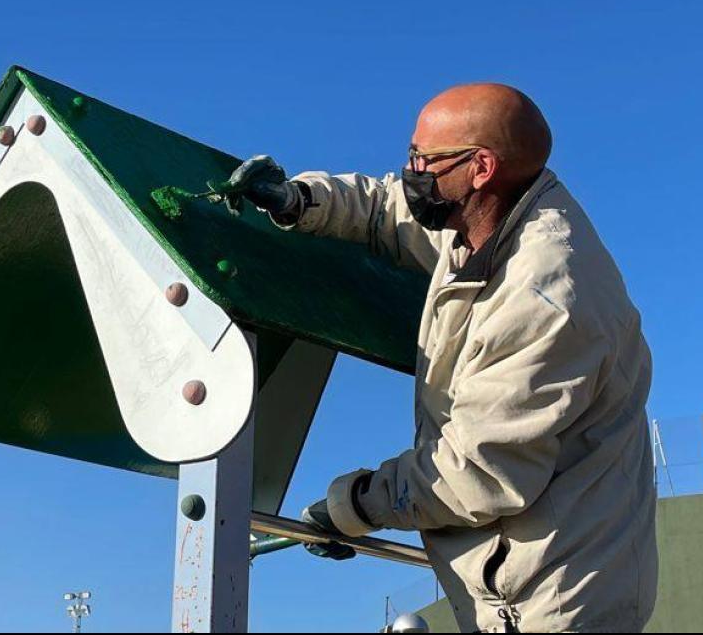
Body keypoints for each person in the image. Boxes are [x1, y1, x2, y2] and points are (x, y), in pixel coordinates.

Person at [228, 84, 657, 632]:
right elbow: (387, 208)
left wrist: (350, 507)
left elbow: (475, 473)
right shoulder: (490, 215)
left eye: (424, 160)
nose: (411, 172)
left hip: (554, 600)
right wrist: (298, 199)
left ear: (480, 167)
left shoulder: (544, 295)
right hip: (521, 583)